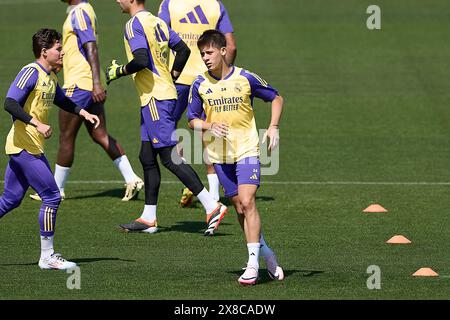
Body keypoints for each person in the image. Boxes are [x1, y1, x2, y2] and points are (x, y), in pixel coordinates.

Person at [107, 0, 227, 236]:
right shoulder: (157, 22)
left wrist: (118, 70)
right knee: (146, 155)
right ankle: (149, 218)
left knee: (169, 157)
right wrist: (170, 75)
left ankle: (212, 205)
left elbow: (141, 60)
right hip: (159, 96)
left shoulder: (134, 24)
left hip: (155, 99)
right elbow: (182, 49)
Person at [187, 30, 284, 284]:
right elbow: (191, 120)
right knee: (239, 207)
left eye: (209, 53)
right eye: (202, 54)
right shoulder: (199, 84)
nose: (205, 58)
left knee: (248, 200)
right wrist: (209, 126)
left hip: (247, 150)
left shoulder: (245, 78)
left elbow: (276, 98)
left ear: (222, 51)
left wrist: (273, 127)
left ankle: (251, 265)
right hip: (219, 156)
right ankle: (266, 253)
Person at [1, 28, 100, 269]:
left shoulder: (51, 77)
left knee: (10, 200)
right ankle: (47, 257)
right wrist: (36, 123)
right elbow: (9, 102)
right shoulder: (30, 72)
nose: (63, 51)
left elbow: (61, 99)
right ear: (45, 52)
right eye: (58, 48)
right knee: (52, 196)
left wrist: (82, 111)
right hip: (25, 147)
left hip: (27, 147)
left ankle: (47, 256)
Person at [30, 0, 143, 202]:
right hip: (88, 82)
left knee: (66, 137)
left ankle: (56, 190)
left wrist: (96, 83)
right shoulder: (84, 10)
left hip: (80, 85)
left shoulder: (80, 12)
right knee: (99, 133)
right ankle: (131, 177)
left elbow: (90, 47)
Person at [158, 0, 237, 207]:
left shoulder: (169, 4)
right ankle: (213, 194)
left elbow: (158, 38)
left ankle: (188, 179)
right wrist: (222, 77)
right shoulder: (215, 5)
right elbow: (231, 46)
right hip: (206, 79)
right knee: (207, 133)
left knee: (169, 132)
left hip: (177, 79)